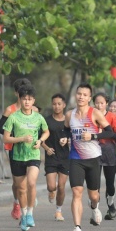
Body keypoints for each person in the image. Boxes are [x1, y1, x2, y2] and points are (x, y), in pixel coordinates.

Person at [64, 83, 116, 231]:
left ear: (89, 98)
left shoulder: (95, 114)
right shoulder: (69, 115)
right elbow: (66, 130)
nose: (81, 97)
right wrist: (65, 138)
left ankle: (94, 207)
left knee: (94, 196)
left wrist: (93, 136)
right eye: (79, 94)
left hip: (93, 159)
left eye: (84, 95)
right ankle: (77, 228)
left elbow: (110, 132)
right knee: (76, 192)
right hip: (76, 159)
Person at [3, 85, 49, 231]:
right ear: (20, 100)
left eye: (29, 99)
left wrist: (40, 141)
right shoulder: (13, 117)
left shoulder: (38, 117)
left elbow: (46, 132)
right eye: (24, 99)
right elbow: (6, 138)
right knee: (21, 189)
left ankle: (30, 213)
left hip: (33, 155)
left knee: (31, 182)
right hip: (17, 156)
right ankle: (23, 215)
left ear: (33, 101)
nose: (27, 102)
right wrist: (21, 138)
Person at [0, 78, 34, 220]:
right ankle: (17, 202)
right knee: (17, 182)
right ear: (16, 94)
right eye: (21, 93)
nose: (25, 97)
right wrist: (13, 134)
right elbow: (0, 127)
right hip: (14, 147)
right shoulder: (10, 110)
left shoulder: (34, 110)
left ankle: (27, 207)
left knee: (30, 179)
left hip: (30, 149)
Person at [93, 93, 116, 220]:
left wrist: (103, 134)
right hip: (94, 153)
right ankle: (96, 210)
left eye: (102, 103)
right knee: (95, 183)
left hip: (109, 153)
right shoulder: (90, 115)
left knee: (110, 184)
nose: (99, 105)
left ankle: (111, 204)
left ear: (106, 103)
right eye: (97, 103)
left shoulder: (112, 117)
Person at [42, 93, 71, 221]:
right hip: (51, 157)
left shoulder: (69, 121)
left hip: (65, 158)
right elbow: (40, 139)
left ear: (64, 105)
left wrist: (68, 141)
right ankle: (51, 191)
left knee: (61, 187)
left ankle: (58, 211)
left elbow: (74, 137)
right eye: (54, 104)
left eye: (59, 104)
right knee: (52, 186)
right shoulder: (46, 121)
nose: (57, 106)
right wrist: (47, 148)